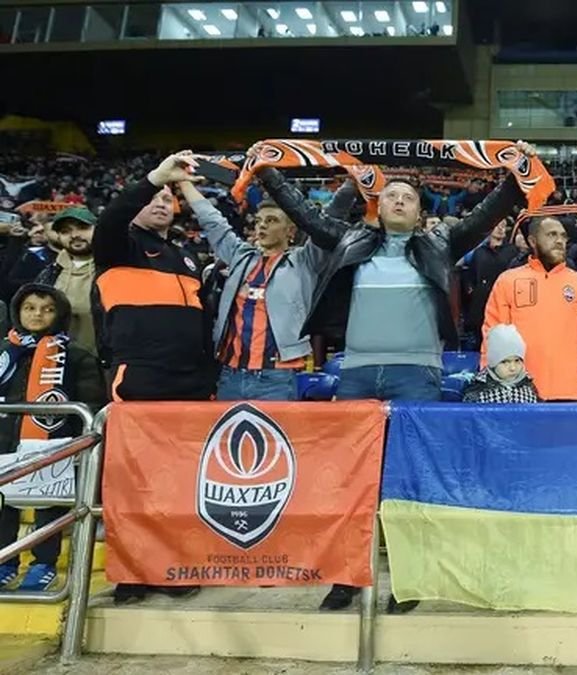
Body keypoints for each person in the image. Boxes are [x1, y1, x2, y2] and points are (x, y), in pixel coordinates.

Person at [257, 143, 531, 613]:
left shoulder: (441, 242)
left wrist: (515, 172)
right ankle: (345, 577)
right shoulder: (349, 240)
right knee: (350, 481)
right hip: (357, 374)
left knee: (410, 482)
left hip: (416, 375)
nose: (399, 201)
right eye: (392, 196)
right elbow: (304, 214)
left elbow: (487, 214)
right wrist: (267, 174)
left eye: (408, 198)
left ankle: (410, 580)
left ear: (421, 213)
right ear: (377, 206)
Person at [94, 152, 212, 605]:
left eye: (168, 197)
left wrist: (207, 376)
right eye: (154, 196)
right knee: (133, 484)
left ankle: (172, 566)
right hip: (140, 382)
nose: (162, 201)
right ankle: (132, 573)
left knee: (180, 482)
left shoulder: (185, 257)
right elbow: (112, 218)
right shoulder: (118, 246)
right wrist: (155, 178)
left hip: (190, 385)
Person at [179, 182, 328, 402]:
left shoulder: (304, 262)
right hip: (230, 376)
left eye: (272, 220)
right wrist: (184, 183)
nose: (262, 226)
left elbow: (324, 228)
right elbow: (212, 221)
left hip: (277, 379)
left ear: (290, 231)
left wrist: (350, 186)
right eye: (258, 221)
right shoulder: (240, 256)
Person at [0, 284, 104, 591]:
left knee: (48, 508)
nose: (37, 315)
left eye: (47, 309)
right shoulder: (5, 353)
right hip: (5, 445)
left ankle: (43, 564)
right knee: (4, 509)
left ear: (60, 315)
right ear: (17, 311)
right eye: (29, 308)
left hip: (53, 447)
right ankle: (5, 562)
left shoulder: (76, 356)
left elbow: (91, 403)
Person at [482, 216, 577, 402]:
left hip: (569, 393)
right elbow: (493, 337)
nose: (559, 241)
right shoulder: (507, 281)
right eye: (551, 235)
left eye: (563, 236)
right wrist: (490, 385)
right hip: (519, 393)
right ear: (532, 241)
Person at [36, 207, 99, 358]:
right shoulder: (50, 273)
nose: (75, 235)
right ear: (58, 237)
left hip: (103, 361)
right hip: (55, 361)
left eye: (82, 228)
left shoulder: (113, 269)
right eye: (65, 231)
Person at [461, 220, 518, 351]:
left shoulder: (512, 251)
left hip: (505, 300)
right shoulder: (479, 252)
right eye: (497, 225)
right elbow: (471, 275)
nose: (500, 229)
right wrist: (471, 291)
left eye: (503, 226)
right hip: (481, 301)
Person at [462, 324, 539, 403]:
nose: (513, 368)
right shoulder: (477, 391)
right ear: (493, 363)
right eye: (505, 362)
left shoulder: (530, 388)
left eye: (517, 361)